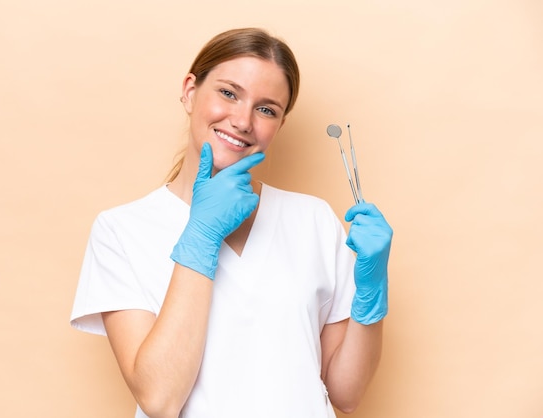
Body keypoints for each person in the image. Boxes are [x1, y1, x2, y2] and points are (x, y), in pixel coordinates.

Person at [70, 27, 393, 418]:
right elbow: (159, 399)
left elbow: (347, 394)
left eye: (267, 109)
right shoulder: (121, 231)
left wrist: (370, 294)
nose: (242, 120)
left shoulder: (313, 220)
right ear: (190, 91)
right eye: (228, 93)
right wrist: (202, 235)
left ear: (279, 125)